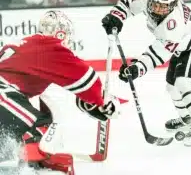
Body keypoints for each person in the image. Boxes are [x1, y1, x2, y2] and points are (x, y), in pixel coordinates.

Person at [0, 10, 119, 172]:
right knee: (36, 129)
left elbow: (71, 83)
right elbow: (88, 80)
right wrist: (104, 103)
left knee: (20, 134)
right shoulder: (50, 46)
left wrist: (90, 100)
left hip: (5, 97)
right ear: (61, 34)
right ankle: (31, 166)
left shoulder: (32, 44)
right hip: (3, 94)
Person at [102, 0, 191, 145]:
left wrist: (137, 69)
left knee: (184, 82)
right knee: (171, 86)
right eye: (155, 4)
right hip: (181, 45)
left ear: (172, 5)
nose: (157, 9)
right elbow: (127, 5)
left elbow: (158, 54)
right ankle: (187, 119)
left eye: (163, 6)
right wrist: (116, 17)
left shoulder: (174, 25)